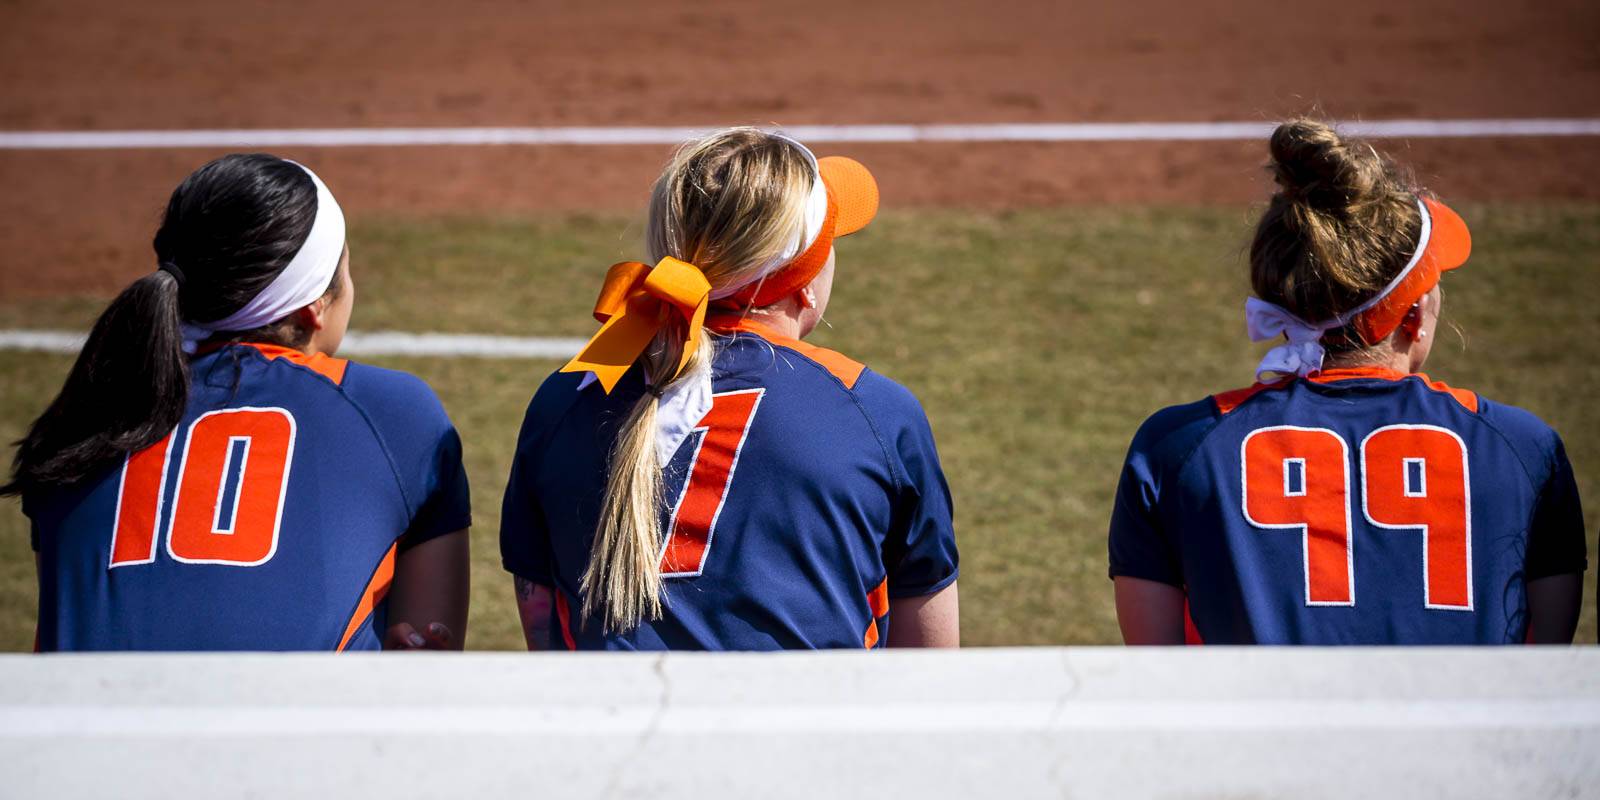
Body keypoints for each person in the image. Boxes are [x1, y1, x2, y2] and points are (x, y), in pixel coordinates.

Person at [1108, 119, 1586, 645]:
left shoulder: (1174, 448)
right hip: (1461, 732)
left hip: (1260, 731)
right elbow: (1546, 670)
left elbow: (1155, 675)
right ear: (1414, 316)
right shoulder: (1524, 448)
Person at [501, 128, 959, 650]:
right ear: (805, 284)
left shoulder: (566, 398)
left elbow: (544, 626)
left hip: (613, 728)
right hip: (803, 730)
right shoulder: (874, 412)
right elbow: (930, 670)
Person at [4, 154, 470, 651]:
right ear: (314, 305)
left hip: (76, 725)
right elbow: (427, 654)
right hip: (293, 726)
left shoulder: (87, 417)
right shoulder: (395, 414)